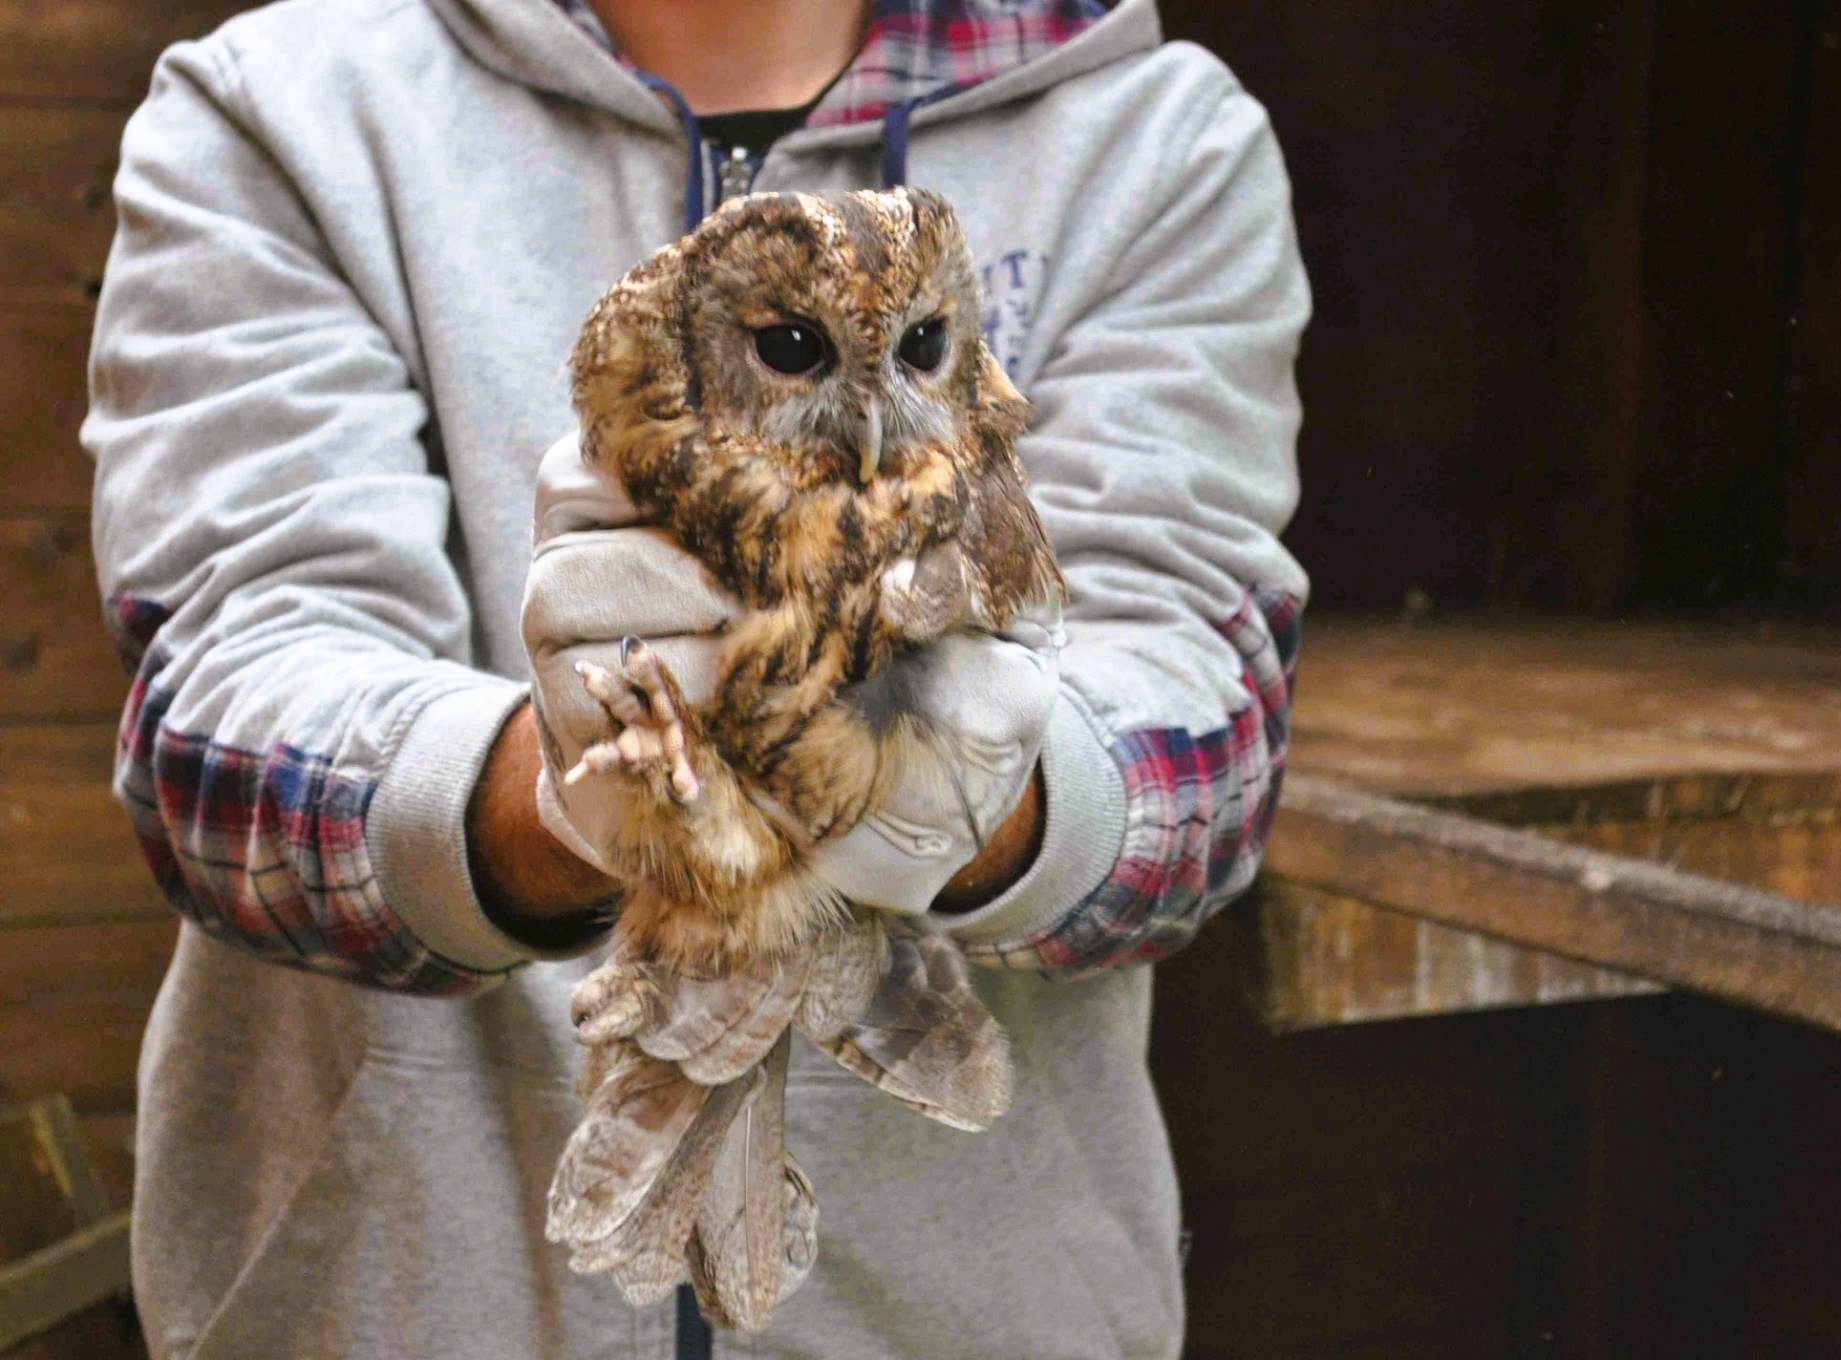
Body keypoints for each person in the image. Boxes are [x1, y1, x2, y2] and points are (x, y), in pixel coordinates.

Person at [84, 0, 1308, 1354]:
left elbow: (1202, 738)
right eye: (799, 352)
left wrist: (981, 791)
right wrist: (562, 804)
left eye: (918, 355)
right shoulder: (287, 106)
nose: (865, 411)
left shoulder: (1150, 140)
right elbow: (224, 727)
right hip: (417, 1298)